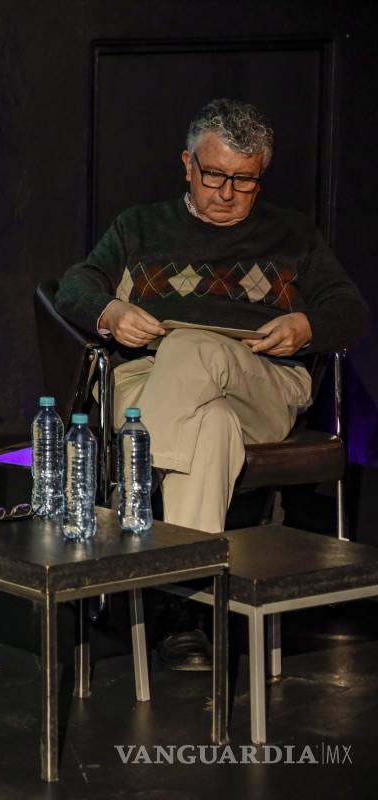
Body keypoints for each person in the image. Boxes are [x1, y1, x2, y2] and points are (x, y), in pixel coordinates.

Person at [55, 99, 369, 666]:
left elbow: (351, 310)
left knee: (196, 347)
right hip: (150, 379)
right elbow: (75, 287)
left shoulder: (292, 234)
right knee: (211, 427)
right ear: (186, 164)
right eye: (213, 174)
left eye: (243, 181)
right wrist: (111, 313)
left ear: (261, 175)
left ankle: (133, 484)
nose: (225, 192)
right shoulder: (138, 226)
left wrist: (307, 324)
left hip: (262, 381)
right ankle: (188, 610)